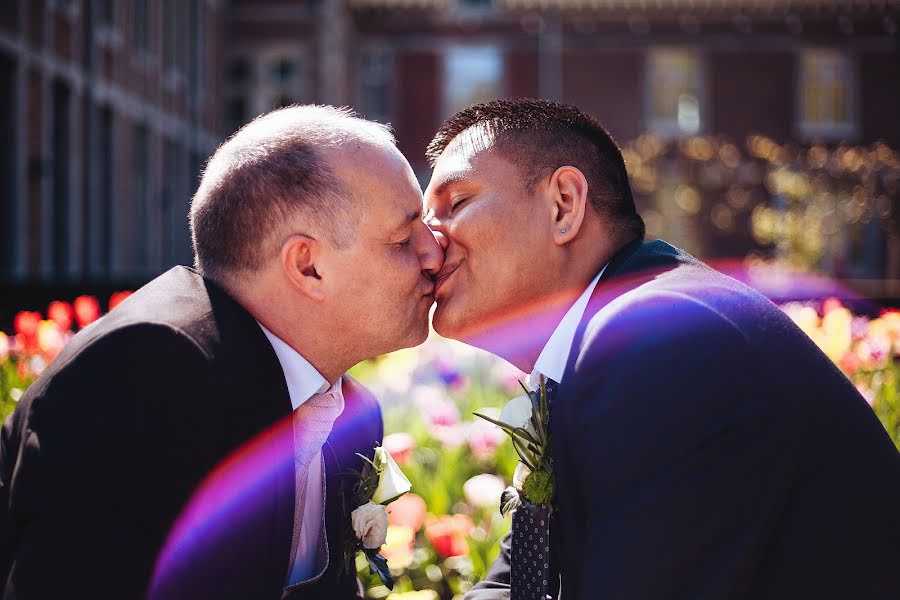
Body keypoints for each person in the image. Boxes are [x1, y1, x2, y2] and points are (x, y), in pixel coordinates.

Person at [422, 99, 900, 599]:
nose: (429, 245)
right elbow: (511, 584)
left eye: (455, 205)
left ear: (563, 204)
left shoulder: (657, 342)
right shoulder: (616, 334)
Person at [0, 105, 442, 599]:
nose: (434, 254)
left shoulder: (351, 411)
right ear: (308, 265)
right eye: (404, 237)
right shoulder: (143, 375)